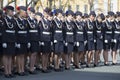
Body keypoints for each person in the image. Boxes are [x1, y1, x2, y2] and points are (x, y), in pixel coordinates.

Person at [2, 6, 16, 78]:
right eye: (11, 11)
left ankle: (10, 71)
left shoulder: (13, 20)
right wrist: (4, 41)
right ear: (7, 11)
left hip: (12, 39)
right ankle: (6, 72)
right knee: (5, 55)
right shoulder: (4, 20)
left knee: (10, 55)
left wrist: (15, 41)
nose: (13, 12)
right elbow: (3, 31)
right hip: (6, 39)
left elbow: (15, 31)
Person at [15, 6, 28, 76]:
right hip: (19, 40)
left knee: (23, 55)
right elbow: (16, 32)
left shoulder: (25, 21)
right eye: (24, 12)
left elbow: (27, 32)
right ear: (21, 12)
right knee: (19, 55)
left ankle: (22, 69)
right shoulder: (16, 21)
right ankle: (19, 70)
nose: (25, 13)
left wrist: (27, 41)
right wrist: (17, 42)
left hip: (24, 40)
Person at [27, 7, 39, 74]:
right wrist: (28, 41)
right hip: (31, 39)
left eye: (34, 13)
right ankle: (30, 68)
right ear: (30, 13)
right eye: (33, 13)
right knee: (31, 54)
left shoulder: (34, 20)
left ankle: (32, 67)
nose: (34, 14)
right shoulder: (28, 20)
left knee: (34, 53)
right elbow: (27, 31)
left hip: (35, 39)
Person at [40, 7, 52, 73]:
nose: (47, 15)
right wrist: (41, 40)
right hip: (44, 39)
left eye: (48, 13)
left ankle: (45, 66)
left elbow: (50, 31)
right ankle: (43, 67)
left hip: (48, 38)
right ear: (44, 13)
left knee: (47, 53)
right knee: (44, 54)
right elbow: (41, 31)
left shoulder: (49, 21)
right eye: (46, 13)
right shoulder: (41, 21)